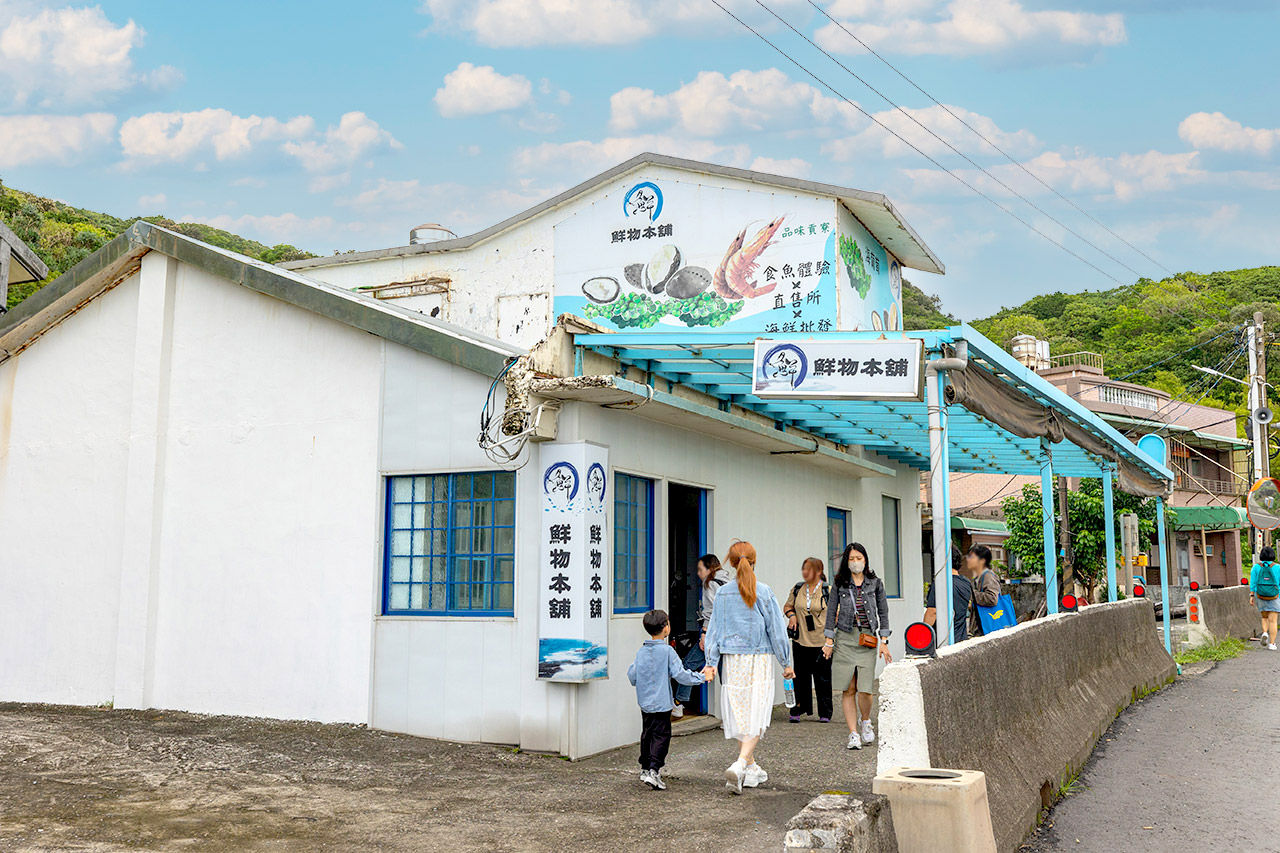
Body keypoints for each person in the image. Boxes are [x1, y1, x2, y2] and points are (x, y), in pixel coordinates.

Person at [703, 541, 794, 794]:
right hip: (759, 659)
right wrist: (785, 662)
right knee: (757, 714)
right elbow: (776, 630)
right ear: (754, 561)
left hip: (732, 660)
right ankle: (741, 763)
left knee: (742, 715)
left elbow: (714, 631)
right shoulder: (764, 591)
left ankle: (752, 769)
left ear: (731, 563)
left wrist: (711, 663)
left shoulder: (722, 593)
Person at [822, 542, 892, 750]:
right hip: (845, 638)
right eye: (851, 559)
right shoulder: (839, 583)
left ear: (865, 560)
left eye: (858, 559)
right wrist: (828, 641)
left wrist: (884, 641)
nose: (855, 562)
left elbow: (883, 612)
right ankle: (853, 733)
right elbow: (831, 611)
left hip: (867, 639)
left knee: (865, 689)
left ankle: (866, 720)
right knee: (848, 688)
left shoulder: (875, 583)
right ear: (846, 561)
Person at [627, 609, 706, 790]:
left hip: (645, 702)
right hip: (662, 703)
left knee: (647, 734)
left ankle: (645, 768)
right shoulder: (668, 651)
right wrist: (701, 678)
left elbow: (632, 676)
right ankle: (655, 770)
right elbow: (681, 675)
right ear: (665, 628)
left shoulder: (641, 652)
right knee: (661, 736)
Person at [673, 554, 727, 718]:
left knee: (688, 664)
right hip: (727, 635)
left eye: (700, 569)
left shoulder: (710, 584)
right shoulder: (727, 582)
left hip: (712, 634)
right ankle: (729, 716)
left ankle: (678, 703)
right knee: (725, 675)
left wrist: (704, 634)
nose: (698, 573)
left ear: (709, 569)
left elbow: (710, 613)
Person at [782, 557, 832, 722]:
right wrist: (792, 616)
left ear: (818, 571)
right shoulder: (798, 589)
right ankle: (798, 709)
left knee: (822, 678)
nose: (805, 572)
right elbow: (788, 606)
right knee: (800, 677)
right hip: (800, 641)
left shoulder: (827, 590)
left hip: (821, 642)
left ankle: (825, 713)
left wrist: (830, 637)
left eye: (809, 569)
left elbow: (835, 613)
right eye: (803, 569)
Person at [924, 547, 972, 644]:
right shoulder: (966, 582)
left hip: (944, 640)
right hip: (962, 638)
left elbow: (932, 613)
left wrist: (923, 635)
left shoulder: (941, 583)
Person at [1248, 546, 1279, 651]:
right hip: (1275, 596)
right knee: (1273, 621)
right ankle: (1272, 644)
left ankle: (1265, 632)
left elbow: (1253, 583)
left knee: (1264, 617)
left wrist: (1252, 595)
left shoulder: (1256, 567)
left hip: (1260, 595)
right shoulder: (1277, 567)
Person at [965, 545, 1000, 638]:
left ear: (982, 560)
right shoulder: (979, 577)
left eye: (972, 557)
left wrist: (971, 593)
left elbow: (992, 599)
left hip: (985, 631)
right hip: (981, 630)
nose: (968, 559)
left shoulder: (988, 576)